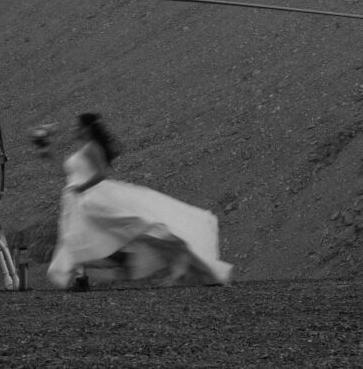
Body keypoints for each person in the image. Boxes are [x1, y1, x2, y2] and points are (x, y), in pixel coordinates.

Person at [47, 113, 232, 291]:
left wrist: (82, 188)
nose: (75, 129)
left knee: (91, 234)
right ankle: (89, 273)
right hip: (78, 200)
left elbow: (102, 172)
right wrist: (45, 148)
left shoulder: (92, 147)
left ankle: (117, 260)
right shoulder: (84, 149)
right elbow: (65, 172)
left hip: (91, 197)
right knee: (78, 236)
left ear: (86, 128)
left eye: (78, 126)